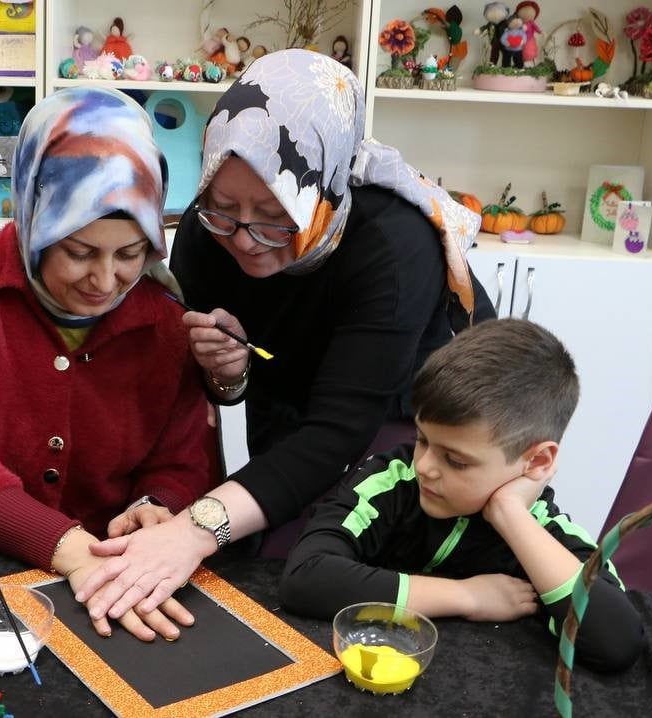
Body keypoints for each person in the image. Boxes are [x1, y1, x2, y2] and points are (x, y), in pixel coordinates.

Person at [74, 49, 495, 626]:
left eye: (276, 215)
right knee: (271, 574)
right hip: (297, 418)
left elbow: (339, 429)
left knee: (354, 588)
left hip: (409, 430)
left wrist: (195, 530)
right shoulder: (205, 237)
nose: (245, 239)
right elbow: (238, 389)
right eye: (223, 208)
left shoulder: (393, 249)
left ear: (321, 189)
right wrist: (229, 372)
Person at [0, 87, 219, 641]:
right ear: (32, 217)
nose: (104, 282)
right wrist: (72, 553)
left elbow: (184, 460)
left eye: (129, 254)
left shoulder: (164, 320)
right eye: (78, 252)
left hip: (109, 575)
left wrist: (154, 505)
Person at [280, 319, 644, 672]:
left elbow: (615, 641)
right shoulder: (392, 478)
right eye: (422, 439)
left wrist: (509, 513)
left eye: (455, 460)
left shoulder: (543, 530)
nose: (424, 466)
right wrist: (466, 596)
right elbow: (305, 578)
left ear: (537, 460)